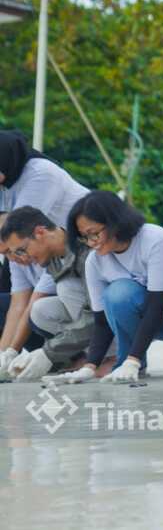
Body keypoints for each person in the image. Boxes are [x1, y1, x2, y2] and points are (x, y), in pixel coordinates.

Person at [55, 191, 163, 383]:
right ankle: (131, 365)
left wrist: (133, 360)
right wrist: (90, 367)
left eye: (94, 234)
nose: (92, 243)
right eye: (85, 237)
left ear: (115, 222)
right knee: (116, 294)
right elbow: (102, 322)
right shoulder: (95, 262)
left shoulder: (154, 240)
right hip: (159, 315)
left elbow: (158, 304)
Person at [0, 129, 89, 379]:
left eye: (14, 251)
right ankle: (67, 357)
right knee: (21, 306)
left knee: (59, 296)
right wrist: (4, 354)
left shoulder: (40, 175)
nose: (12, 257)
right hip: (46, 256)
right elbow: (19, 302)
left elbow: (35, 295)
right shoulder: (19, 247)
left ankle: (99, 357)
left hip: (76, 257)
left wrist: (13, 349)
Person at [0, 207, 99, 381]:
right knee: (40, 310)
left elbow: (95, 316)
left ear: (40, 232)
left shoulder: (83, 249)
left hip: (120, 321)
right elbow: (21, 305)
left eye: (21, 250)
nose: (24, 257)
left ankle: (108, 358)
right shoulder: (53, 258)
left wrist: (48, 352)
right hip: (94, 325)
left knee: (65, 288)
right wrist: (8, 353)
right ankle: (90, 356)